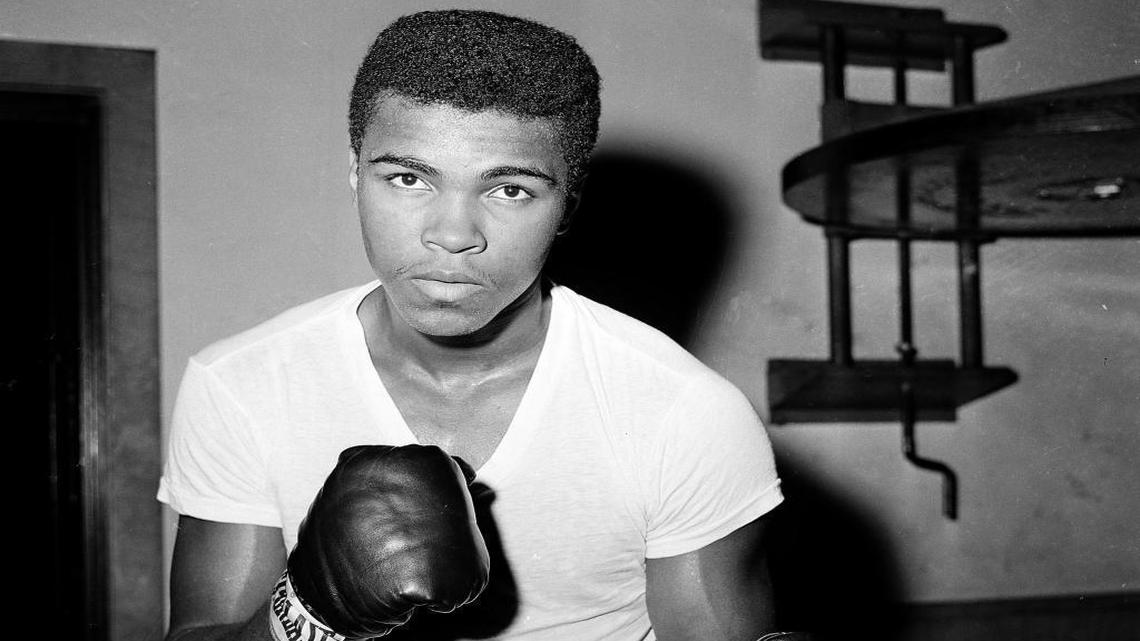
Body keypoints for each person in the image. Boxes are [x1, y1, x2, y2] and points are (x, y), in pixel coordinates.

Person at [160, 9, 786, 641]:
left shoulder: (685, 413)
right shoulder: (239, 385)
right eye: (408, 178)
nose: (453, 235)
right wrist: (310, 607)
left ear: (567, 207)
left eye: (509, 190)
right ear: (355, 175)